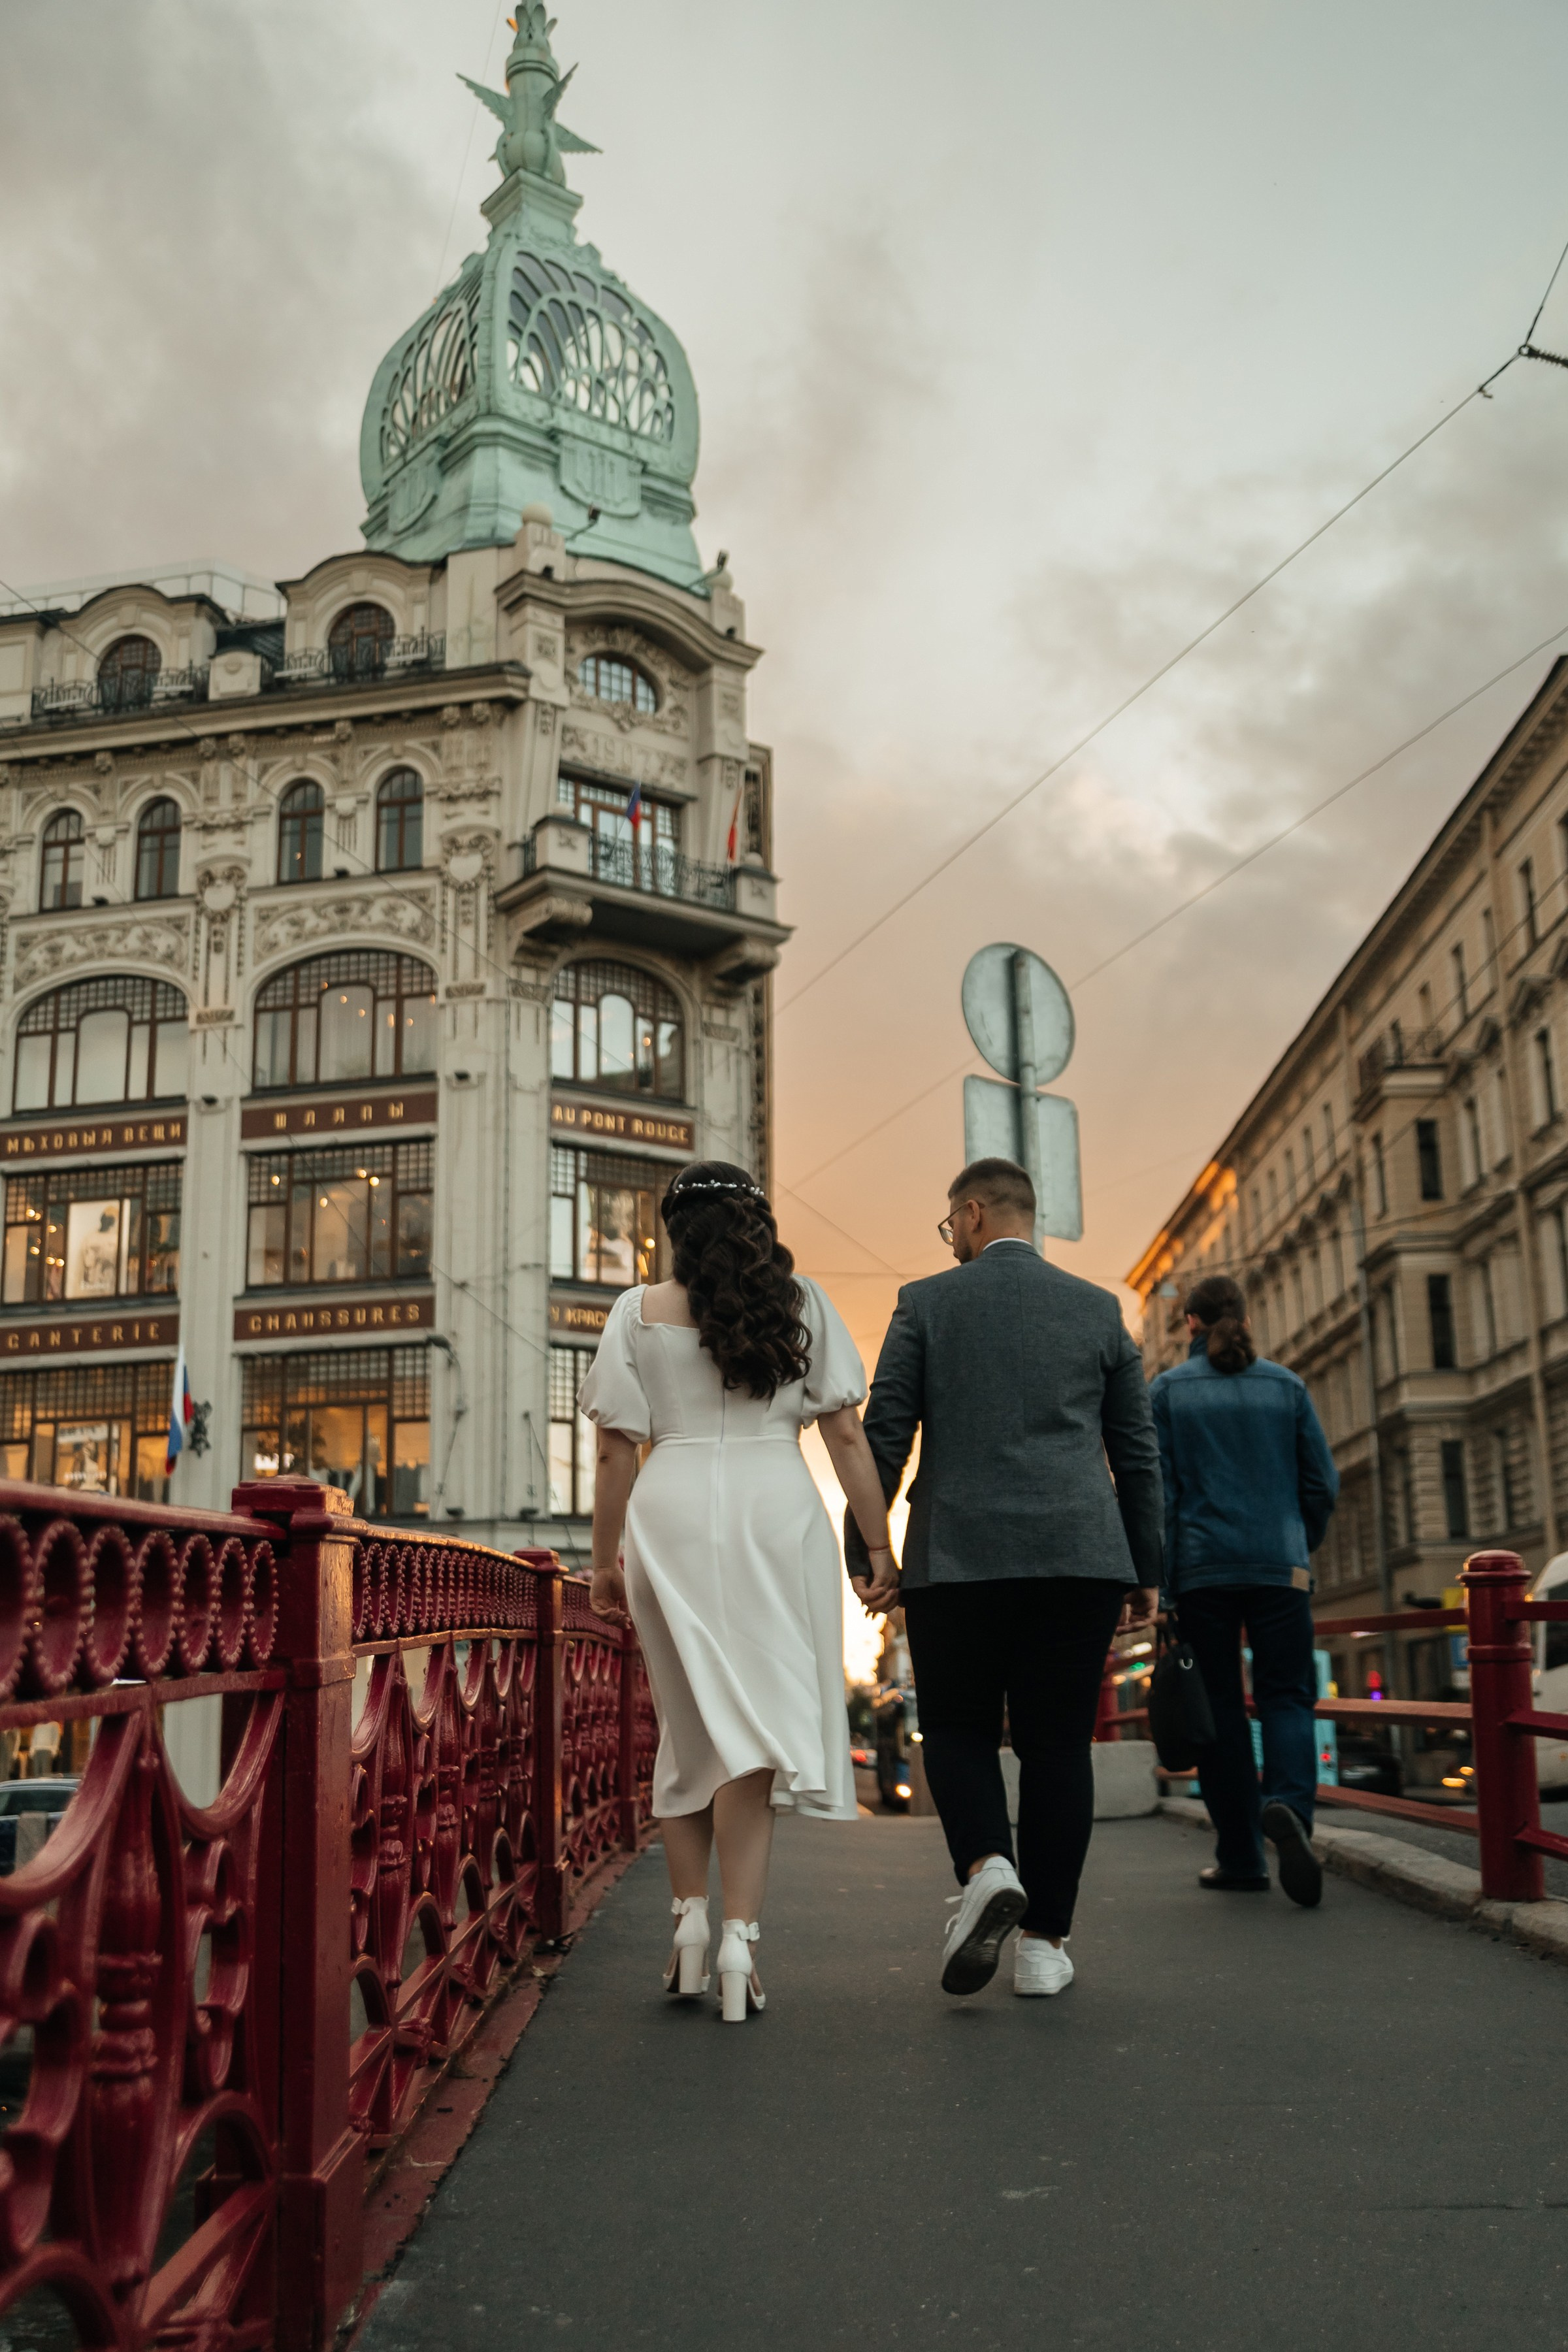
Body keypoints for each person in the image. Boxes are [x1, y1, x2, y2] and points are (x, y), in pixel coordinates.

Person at [582, 1160, 898, 2023]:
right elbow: (846, 1437)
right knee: (750, 1739)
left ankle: (688, 1927)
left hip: (670, 1513)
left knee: (688, 1730)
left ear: (673, 1230)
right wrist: (878, 1548)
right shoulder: (804, 1305)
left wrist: (605, 1561)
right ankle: (738, 1945)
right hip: (775, 1512)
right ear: (760, 1225)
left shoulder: (635, 1313)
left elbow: (614, 1449)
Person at [850, 1158, 1162, 2000]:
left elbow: (885, 1435)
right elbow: (1137, 1454)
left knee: (957, 1729)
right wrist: (1146, 1567)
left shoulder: (925, 1303)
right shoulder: (1099, 1310)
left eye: (951, 1224)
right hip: (1078, 1556)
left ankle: (988, 1865)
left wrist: (868, 1552)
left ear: (974, 1213)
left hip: (957, 1555)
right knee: (1058, 1745)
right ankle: (1044, 1948)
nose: (950, 1239)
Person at [1149, 1273, 1339, 1907]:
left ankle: (1241, 1858)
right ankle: (1290, 1809)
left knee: (1220, 1712)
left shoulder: (1168, 1392)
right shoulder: (1286, 1387)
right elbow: (1322, 1484)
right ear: (1246, 1318)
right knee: (1287, 1698)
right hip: (1279, 1568)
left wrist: (1163, 1586)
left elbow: (1160, 1498)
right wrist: (1297, 1542)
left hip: (1203, 1572)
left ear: (1191, 1324)